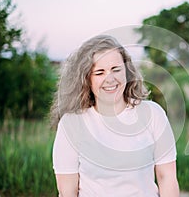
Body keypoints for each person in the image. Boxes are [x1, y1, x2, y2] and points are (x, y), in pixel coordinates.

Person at [50, 35, 179, 197]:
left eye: (116, 69)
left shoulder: (153, 114)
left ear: (127, 71)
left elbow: (166, 177)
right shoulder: (71, 124)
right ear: (86, 79)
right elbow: (67, 191)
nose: (110, 79)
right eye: (99, 72)